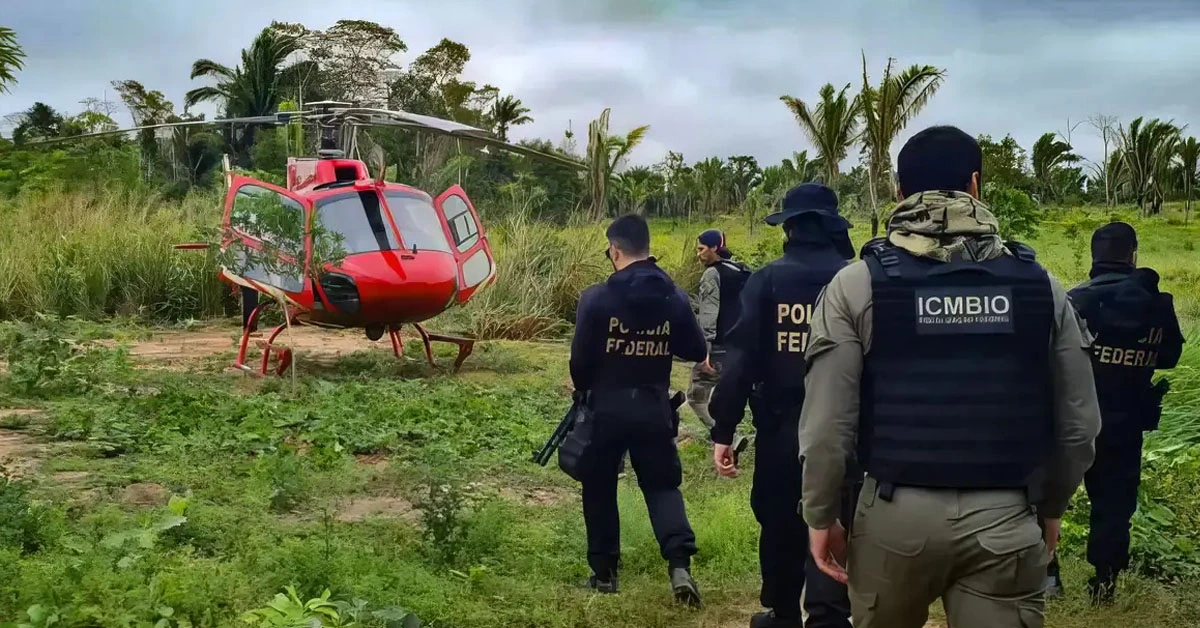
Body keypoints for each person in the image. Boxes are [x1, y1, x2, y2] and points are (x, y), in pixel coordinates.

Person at [798, 125, 1102, 628]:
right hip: (1007, 514)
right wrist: (1052, 507)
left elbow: (828, 428)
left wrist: (821, 513)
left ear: (899, 192)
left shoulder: (857, 284)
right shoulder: (1040, 286)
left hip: (894, 518)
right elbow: (1080, 425)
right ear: (976, 186)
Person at [708, 183, 858, 628]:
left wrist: (723, 430)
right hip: (847, 430)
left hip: (781, 427)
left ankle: (781, 611)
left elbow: (740, 363)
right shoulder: (856, 278)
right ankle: (831, 611)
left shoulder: (767, 280)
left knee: (778, 519)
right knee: (836, 515)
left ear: (788, 228)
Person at [568, 214, 707, 607]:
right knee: (663, 487)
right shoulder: (674, 296)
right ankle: (680, 567)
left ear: (614, 250)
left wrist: (588, 389)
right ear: (648, 248)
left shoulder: (596, 298)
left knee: (598, 487)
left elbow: (580, 363)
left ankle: (605, 575)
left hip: (606, 409)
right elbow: (695, 349)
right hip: (653, 408)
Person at [1042, 221, 1185, 603]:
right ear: (1132, 256)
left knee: (1049, 495)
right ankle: (1104, 585)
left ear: (1093, 258)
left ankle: (1049, 575)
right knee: (1115, 506)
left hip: (1072, 420)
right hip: (1126, 421)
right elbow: (1170, 356)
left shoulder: (1075, 301)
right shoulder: (1156, 303)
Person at [689, 229, 751, 451]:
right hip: (741, 347)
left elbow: (709, 315)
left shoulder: (712, 275)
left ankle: (726, 437)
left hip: (718, 346)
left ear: (714, 247)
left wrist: (704, 351)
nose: (699, 254)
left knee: (696, 396)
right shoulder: (741, 271)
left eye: (702, 249)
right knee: (731, 395)